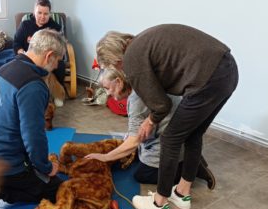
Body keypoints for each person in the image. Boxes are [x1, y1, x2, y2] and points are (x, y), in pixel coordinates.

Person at [95, 24, 238, 209]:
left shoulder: (132, 59)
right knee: (194, 134)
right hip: (228, 69)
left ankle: (159, 203)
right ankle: (182, 193)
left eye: (112, 67)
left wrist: (150, 121)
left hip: (208, 77)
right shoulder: (141, 42)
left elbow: (162, 105)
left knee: (170, 138)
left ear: (116, 59)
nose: (119, 70)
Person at [0, 29, 66, 209]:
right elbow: (33, 136)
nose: (57, 65)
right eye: (58, 60)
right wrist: (46, 167)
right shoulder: (33, 85)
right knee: (57, 188)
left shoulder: (4, 68)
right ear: (49, 55)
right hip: (6, 165)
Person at [85, 68, 215, 188]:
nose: (107, 93)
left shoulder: (136, 101)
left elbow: (134, 141)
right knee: (130, 154)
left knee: (141, 174)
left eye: (108, 88)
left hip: (169, 142)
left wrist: (106, 157)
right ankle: (189, 160)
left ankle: (190, 168)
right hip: (180, 135)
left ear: (118, 82)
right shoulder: (143, 82)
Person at [14, 0, 66, 106]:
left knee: (60, 65)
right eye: (39, 13)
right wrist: (21, 53)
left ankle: (58, 94)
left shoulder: (55, 27)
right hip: (29, 57)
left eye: (46, 14)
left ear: (50, 14)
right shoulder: (25, 25)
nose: (42, 17)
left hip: (49, 58)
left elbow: (59, 46)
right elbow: (16, 43)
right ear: (34, 12)